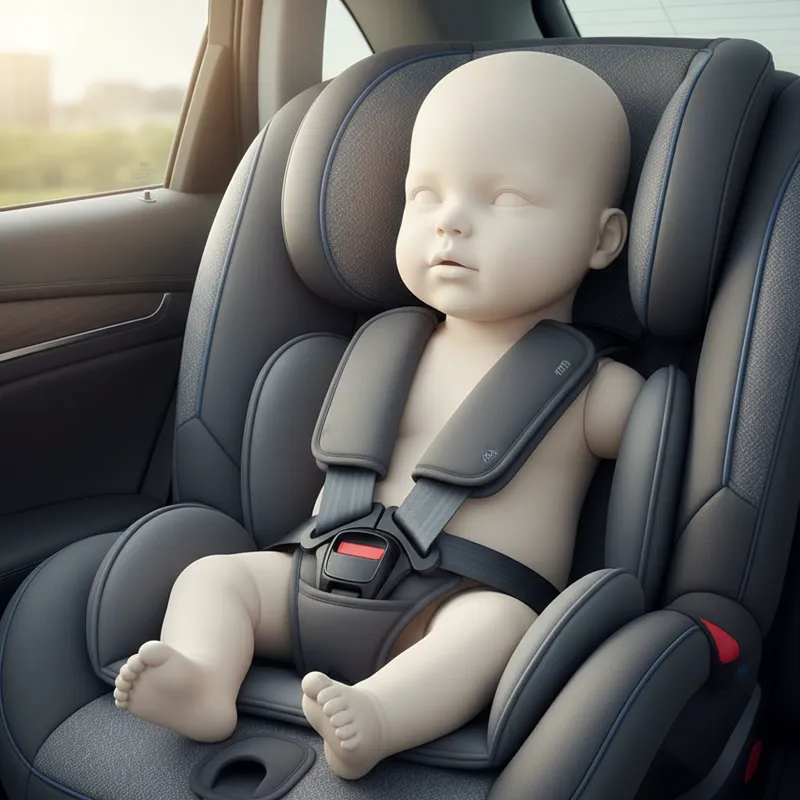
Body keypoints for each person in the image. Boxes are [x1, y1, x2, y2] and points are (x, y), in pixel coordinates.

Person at [113, 50, 643, 781]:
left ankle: (381, 716)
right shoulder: (381, 349)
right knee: (213, 577)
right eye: (425, 195)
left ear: (602, 239)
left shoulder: (595, 386)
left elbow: (661, 462)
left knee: (501, 631)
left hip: (456, 603)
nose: (451, 223)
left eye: (508, 200)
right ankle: (205, 678)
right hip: (310, 574)